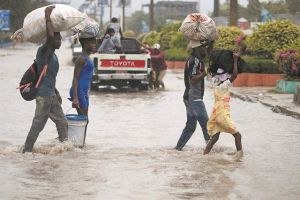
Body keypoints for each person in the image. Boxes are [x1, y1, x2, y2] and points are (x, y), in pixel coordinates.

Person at [23, 6, 68, 153]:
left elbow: (48, 76)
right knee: (38, 125)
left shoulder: (54, 56)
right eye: (57, 38)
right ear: (51, 39)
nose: (60, 40)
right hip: (43, 96)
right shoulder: (44, 51)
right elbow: (49, 37)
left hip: (50, 94)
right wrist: (47, 16)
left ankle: (64, 148)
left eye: (61, 38)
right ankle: (27, 151)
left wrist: (56, 92)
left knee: (62, 122)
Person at [175, 43, 213, 151]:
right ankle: (210, 152)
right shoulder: (194, 61)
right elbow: (192, 80)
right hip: (194, 98)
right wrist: (205, 73)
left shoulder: (198, 59)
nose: (206, 49)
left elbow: (209, 50)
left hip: (189, 97)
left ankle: (177, 149)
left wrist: (212, 40)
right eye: (203, 47)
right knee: (206, 125)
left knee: (191, 126)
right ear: (197, 49)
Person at [203, 52, 243, 157]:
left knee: (215, 138)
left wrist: (237, 56)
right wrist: (234, 61)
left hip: (216, 114)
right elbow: (235, 75)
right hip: (222, 115)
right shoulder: (224, 86)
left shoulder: (216, 84)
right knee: (238, 136)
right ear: (224, 78)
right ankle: (239, 158)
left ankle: (204, 156)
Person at [70, 37, 97, 116]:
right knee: (83, 119)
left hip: (84, 91)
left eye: (94, 42)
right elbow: (75, 78)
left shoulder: (87, 57)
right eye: (92, 43)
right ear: (85, 44)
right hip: (79, 91)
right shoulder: (81, 59)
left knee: (84, 120)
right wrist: (75, 98)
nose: (94, 45)